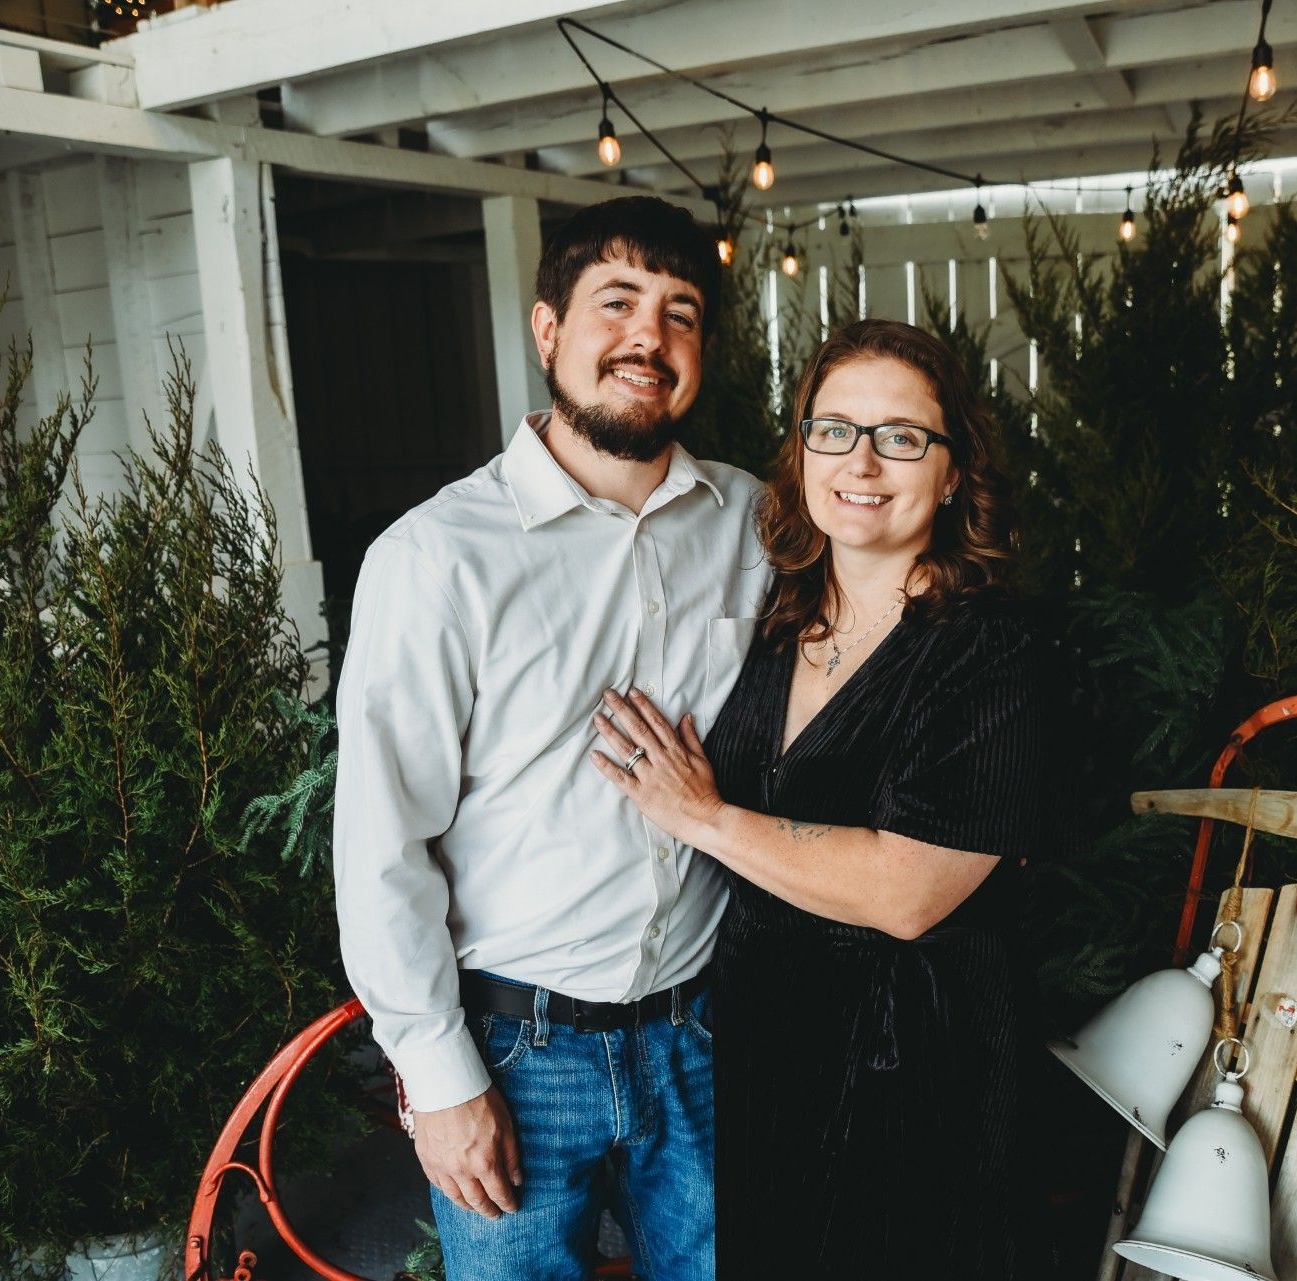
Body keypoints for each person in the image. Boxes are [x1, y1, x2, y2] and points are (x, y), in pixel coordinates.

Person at [332, 195, 770, 1281]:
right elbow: (381, 842)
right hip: (518, 1052)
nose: (649, 339)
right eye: (615, 303)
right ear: (547, 331)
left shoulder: (758, 525)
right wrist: (438, 1076)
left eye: (680, 314)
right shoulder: (438, 557)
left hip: (705, 1034)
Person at [590, 318, 1054, 1279]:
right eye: (834, 429)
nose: (864, 461)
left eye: (902, 436)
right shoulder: (779, 614)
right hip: (768, 1035)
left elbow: (908, 888)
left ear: (955, 469)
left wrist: (704, 816)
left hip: (919, 1052)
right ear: (802, 450)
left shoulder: (993, 648)